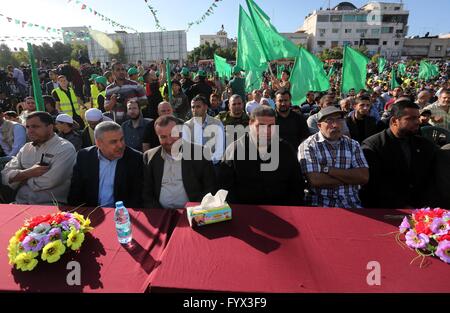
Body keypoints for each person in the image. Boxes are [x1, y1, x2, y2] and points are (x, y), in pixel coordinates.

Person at [219, 106, 305, 205]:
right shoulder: (234, 151)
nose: (267, 131)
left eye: (271, 126)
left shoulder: (286, 149)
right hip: (245, 211)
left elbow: (297, 185)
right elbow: (225, 189)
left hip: (283, 210)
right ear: (250, 124)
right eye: (261, 126)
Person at [360, 100, 437, 208]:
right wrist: (403, 206)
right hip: (386, 209)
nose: (417, 122)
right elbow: (374, 186)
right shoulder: (373, 146)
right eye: (411, 118)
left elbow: (431, 179)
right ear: (394, 121)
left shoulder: (424, 144)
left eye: (417, 117)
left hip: (420, 207)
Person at [298, 106, 369, 208]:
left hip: (351, 204)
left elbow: (363, 177)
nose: (335, 125)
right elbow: (315, 180)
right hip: (320, 205)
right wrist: (350, 179)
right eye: (330, 121)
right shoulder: (309, 146)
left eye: (339, 119)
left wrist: (327, 169)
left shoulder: (353, 144)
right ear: (319, 125)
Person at [1, 112, 76, 204]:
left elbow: (49, 181)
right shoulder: (26, 148)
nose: (30, 131)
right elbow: (5, 176)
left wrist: (17, 178)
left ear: (50, 127)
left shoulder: (65, 148)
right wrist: (29, 172)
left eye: (35, 126)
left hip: (50, 206)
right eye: (27, 127)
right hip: (19, 203)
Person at [142, 115, 216, 209]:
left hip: (193, 212)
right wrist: (158, 212)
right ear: (157, 137)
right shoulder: (149, 157)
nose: (169, 141)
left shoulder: (200, 153)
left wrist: (196, 209)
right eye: (163, 137)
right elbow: (147, 193)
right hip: (161, 213)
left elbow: (210, 187)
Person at [68, 121, 143, 208]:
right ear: (99, 143)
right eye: (113, 142)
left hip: (122, 214)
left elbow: (136, 196)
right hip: (91, 212)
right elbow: (75, 192)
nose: (120, 145)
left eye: (122, 139)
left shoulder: (135, 158)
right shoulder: (84, 156)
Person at [184, 95, 224, 165]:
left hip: (213, 164)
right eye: (193, 107)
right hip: (194, 166)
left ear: (205, 107)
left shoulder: (217, 124)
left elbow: (220, 150)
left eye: (198, 107)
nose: (194, 110)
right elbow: (186, 151)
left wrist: (209, 163)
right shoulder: (187, 126)